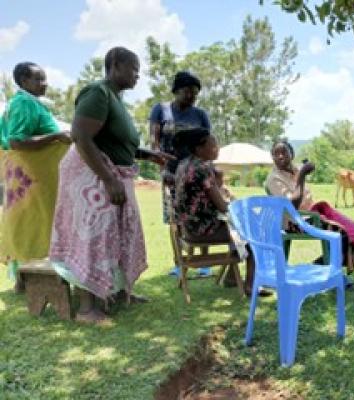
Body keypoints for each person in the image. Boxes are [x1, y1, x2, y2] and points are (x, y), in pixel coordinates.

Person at [49, 47, 173, 323]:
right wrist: (108, 178)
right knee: (94, 237)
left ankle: (116, 292)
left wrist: (146, 154)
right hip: (92, 179)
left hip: (111, 173)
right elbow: (80, 135)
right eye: (133, 67)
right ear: (115, 65)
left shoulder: (115, 99)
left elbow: (115, 141)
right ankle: (86, 309)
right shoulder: (98, 93)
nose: (138, 74)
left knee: (119, 236)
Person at [0, 62, 71, 293]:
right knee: (29, 225)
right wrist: (57, 136)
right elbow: (17, 141)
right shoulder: (22, 103)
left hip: (38, 181)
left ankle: (28, 279)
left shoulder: (31, 103)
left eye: (45, 78)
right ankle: (24, 280)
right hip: (30, 182)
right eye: (39, 79)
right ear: (23, 81)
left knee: (36, 224)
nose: (45, 83)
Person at [172, 128, 262, 296]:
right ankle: (250, 285)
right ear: (199, 149)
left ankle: (232, 278)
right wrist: (242, 208)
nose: (217, 148)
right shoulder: (202, 168)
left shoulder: (184, 164)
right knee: (253, 234)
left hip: (186, 228)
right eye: (213, 145)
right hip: (202, 230)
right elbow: (222, 206)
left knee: (239, 230)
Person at [265, 140, 354, 284]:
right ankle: (330, 273)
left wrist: (306, 169)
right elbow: (291, 205)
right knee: (340, 233)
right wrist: (302, 176)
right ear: (272, 157)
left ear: (291, 154)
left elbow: (306, 182)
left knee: (353, 228)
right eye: (276, 154)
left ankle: (318, 268)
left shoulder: (296, 169)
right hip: (293, 222)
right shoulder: (274, 178)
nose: (280, 156)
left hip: (310, 216)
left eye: (284, 152)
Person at [149, 71, 211, 278]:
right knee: (175, 218)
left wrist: (207, 172)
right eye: (187, 91)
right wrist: (163, 171)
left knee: (201, 214)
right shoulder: (161, 110)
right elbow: (155, 143)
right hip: (171, 173)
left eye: (195, 93)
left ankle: (204, 261)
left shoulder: (200, 115)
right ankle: (179, 262)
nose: (191, 96)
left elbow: (208, 144)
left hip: (196, 174)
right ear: (176, 91)